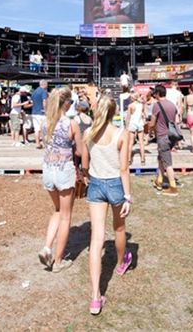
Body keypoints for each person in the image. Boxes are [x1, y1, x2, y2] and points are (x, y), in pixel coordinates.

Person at [81, 95, 133, 315]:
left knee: (96, 239)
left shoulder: (88, 133)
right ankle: (121, 264)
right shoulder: (122, 134)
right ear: (114, 112)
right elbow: (124, 168)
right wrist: (128, 195)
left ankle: (95, 297)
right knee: (119, 228)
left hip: (96, 183)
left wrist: (86, 176)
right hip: (115, 184)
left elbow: (84, 163)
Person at [38, 87, 87, 273]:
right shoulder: (71, 124)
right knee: (66, 216)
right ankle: (58, 262)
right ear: (65, 103)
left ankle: (47, 247)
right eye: (71, 102)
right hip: (64, 170)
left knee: (57, 210)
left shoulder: (45, 122)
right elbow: (80, 152)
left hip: (48, 169)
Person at [147, 84, 180, 196]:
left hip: (162, 136)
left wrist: (148, 128)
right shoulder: (172, 105)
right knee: (161, 158)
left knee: (167, 163)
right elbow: (176, 121)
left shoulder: (157, 105)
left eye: (154, 93)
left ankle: (173, 187)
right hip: (172, 136)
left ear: (157, 93)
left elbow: (152, 123)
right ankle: (159, 180)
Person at [126, 92, 146, 164]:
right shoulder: (141, 105)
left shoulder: (130, 106)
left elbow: (128, 117)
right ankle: (143, 159)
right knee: (141, 142)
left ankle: (129, 159)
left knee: (131, 142)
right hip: (139, 123)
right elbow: (143, 114)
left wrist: (126, 126)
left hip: (132, 123)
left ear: (133, 98)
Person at [32, 80, 49, 149]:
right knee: (44, 129)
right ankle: (44, 144)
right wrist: (46, 110)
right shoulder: (43, 91)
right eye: (47, 84)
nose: (47, 86)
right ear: (44, 84)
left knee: (36, 129)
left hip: (34, 112)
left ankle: (37, 143)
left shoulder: (34, 92)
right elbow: (44, 101)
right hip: (41, 113)